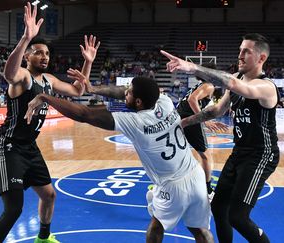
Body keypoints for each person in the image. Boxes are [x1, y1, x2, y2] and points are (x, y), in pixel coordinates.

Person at [25, 74, 213, 243]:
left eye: (129, 93)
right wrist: (93, 88)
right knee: (199, 230)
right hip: (194, 173)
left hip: (173, 185)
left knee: (156, 227)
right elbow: (123, 91)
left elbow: (84, 114)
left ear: (138, 102)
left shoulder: (135, 121)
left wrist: (46, 97)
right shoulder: (164, 102)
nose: (126, 95)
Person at [0, 2, 100, 243]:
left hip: (29, 147)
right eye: (39, 52)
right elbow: (9, 74)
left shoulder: (48, 79)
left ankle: (43, 238)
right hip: (9, 147)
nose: (44, 56)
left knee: (49, 195)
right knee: (14, 209)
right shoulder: (24, 77)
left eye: (47, 53)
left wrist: (88, 62)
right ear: (28, 55)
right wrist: (26, 38)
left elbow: (77, 91)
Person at [161, 33, 279, 243]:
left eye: (246, 51)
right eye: (240, 50)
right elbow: (217, 110)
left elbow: (235, 85)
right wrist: (185, 122)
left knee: (238, 217)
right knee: (218, 207)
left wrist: (193, 68)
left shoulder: (265, 87)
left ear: (261, 58)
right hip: (240, 152)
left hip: (261, 155)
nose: (240, 55)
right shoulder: (239, 80)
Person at [175, 67, 216, 196]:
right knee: (205, 155)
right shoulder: (208, 86)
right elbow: (191, 100)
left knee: (177, 153)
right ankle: (207, 190)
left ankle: (172, 184)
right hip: (190, 119)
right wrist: (203, 118)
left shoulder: (199, 85)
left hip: (178, 117)